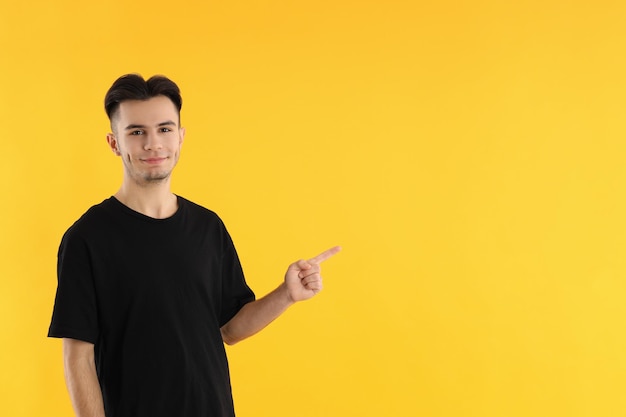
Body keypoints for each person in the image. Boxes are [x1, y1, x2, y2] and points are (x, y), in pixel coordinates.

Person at [48, 74, 340, 417]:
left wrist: (286, 294)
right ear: (115, 143)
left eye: (165, 129)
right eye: (137, 132)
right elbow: (77, 355)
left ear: (181, 137)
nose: (153, 143)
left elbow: (230, 329)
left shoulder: (207, 227)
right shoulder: (87, 237)